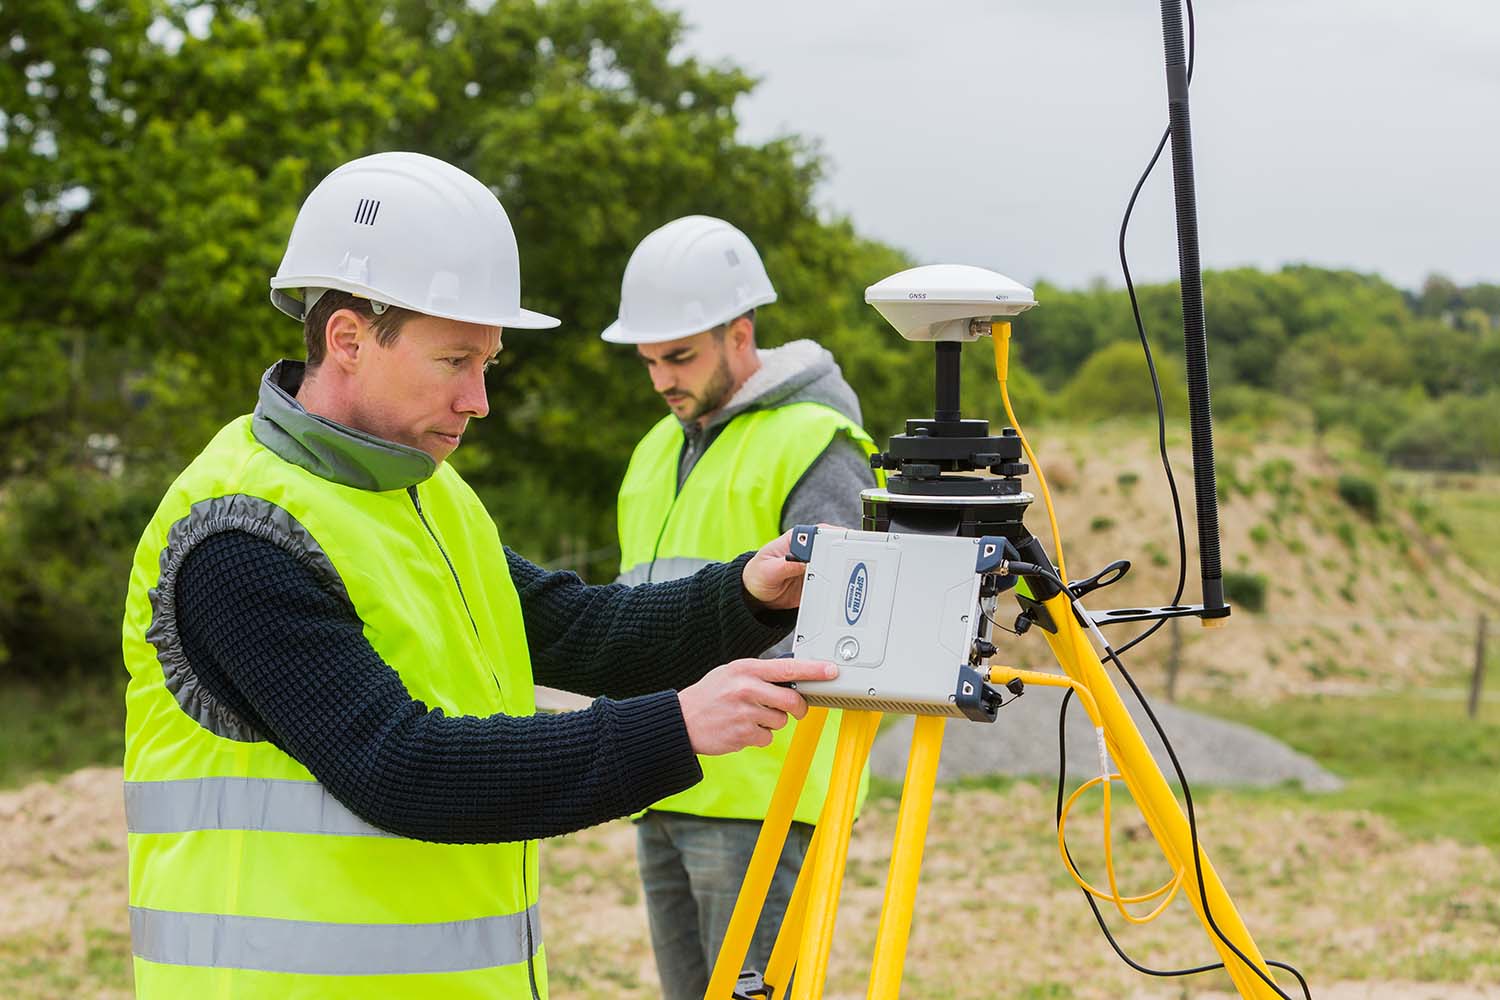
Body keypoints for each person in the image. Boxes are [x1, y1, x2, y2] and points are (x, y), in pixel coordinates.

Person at [119, 152, 839, 1000]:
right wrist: (675, 728)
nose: (478, 400)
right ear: (348, 338)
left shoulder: (423, 491)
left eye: (487, 364)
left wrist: (745, 593)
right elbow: (400, 765)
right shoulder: (237, 536)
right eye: (453, 361)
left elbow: (575, 631)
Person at [602, 215, 878, 998]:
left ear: (740, 334)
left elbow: (839, 629)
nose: (661, 379)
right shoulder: (656, 447)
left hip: (762, 796)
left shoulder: (817, 441)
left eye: (679, 356)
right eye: (649, 360)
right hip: (661, 775)